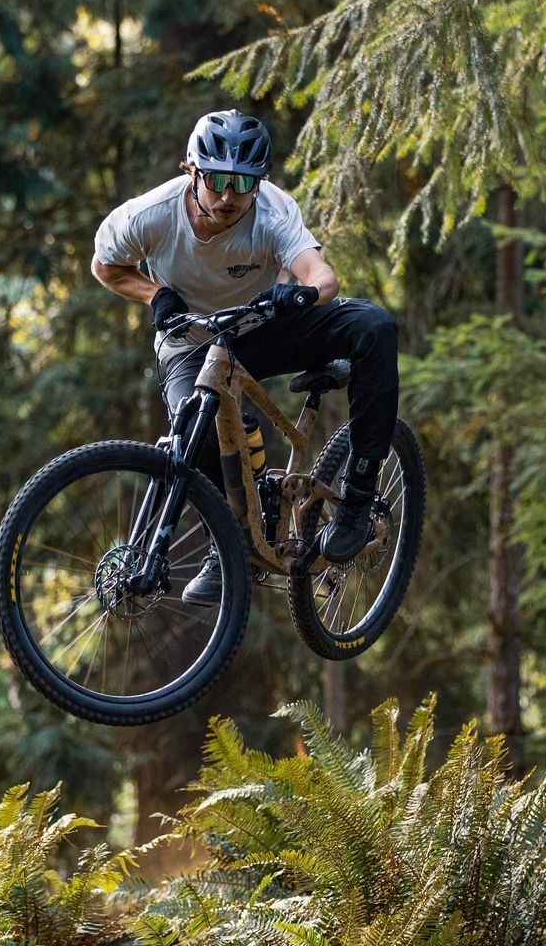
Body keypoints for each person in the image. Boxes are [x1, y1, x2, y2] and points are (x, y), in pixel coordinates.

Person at [91, 109, 400, 604]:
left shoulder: (273, 213)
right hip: (190, 340)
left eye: (243, 182)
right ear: (191, 171)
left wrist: (300, 296)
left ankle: (357, 500)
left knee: (375, 327)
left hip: (262, 327)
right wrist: (154, 295)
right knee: (198, 428)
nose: (229, 196)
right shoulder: (151, 214)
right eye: (216, 180)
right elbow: (106, 265)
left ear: (259, 182)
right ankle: (229, 545)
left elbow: (323, 277)